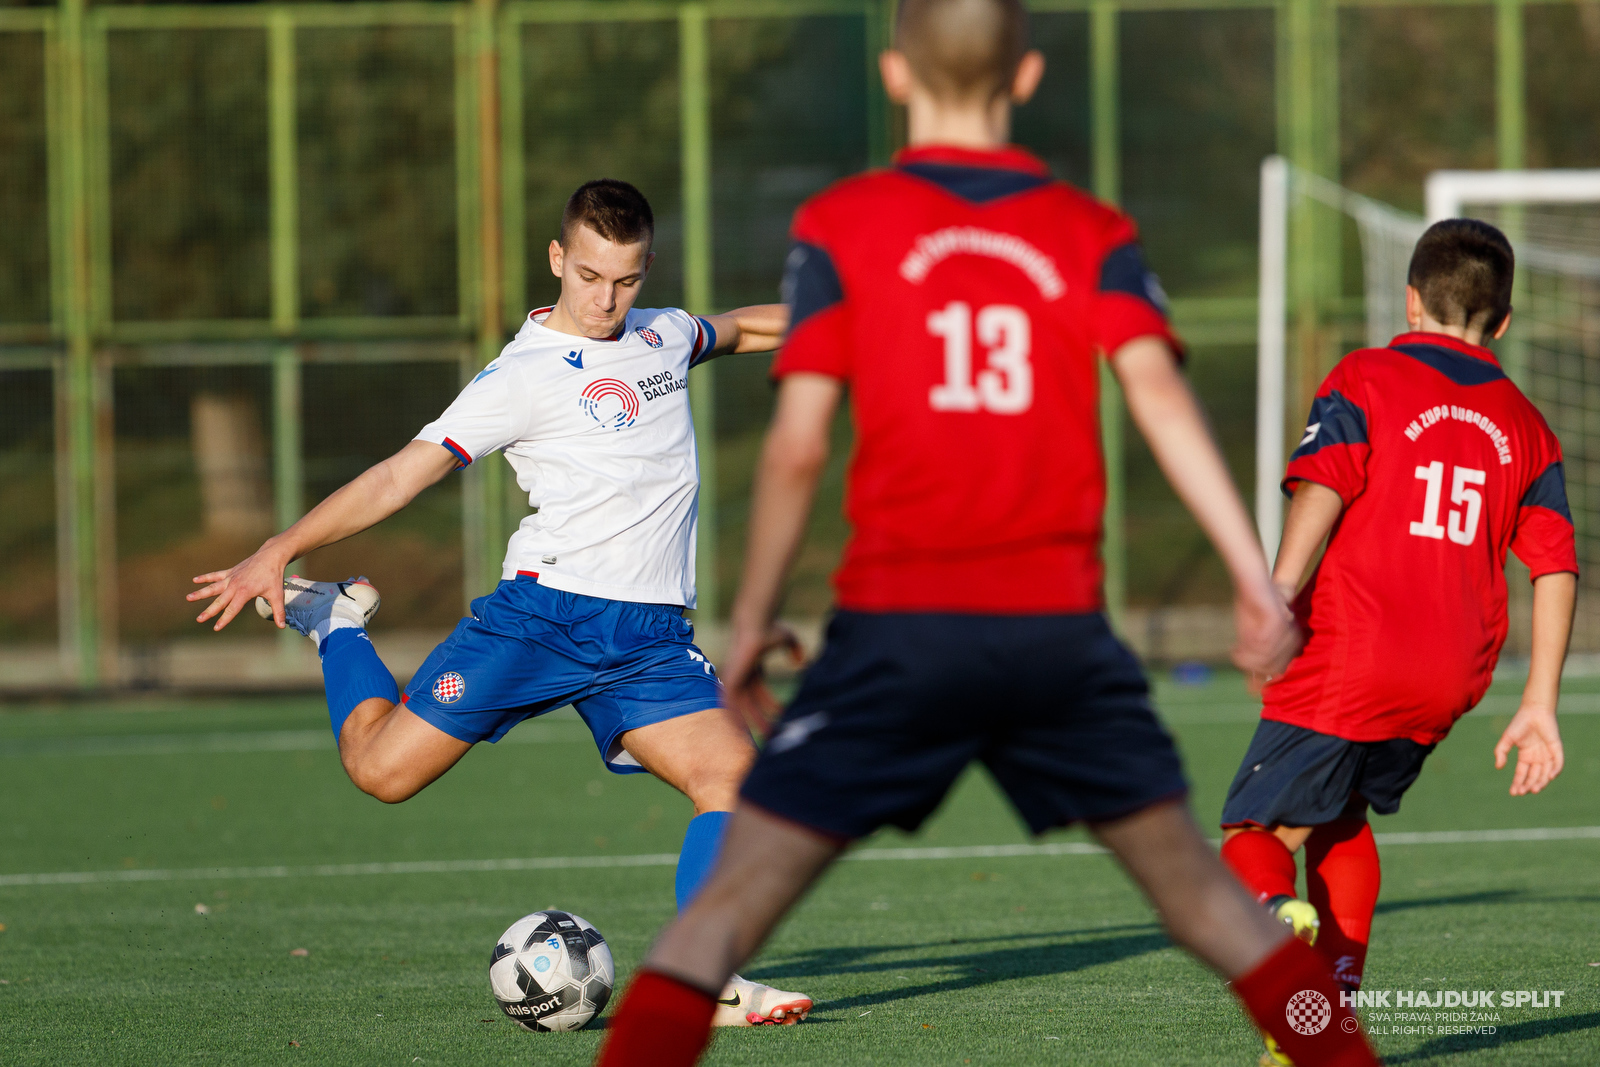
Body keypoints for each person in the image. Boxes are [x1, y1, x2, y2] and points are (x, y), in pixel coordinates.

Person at [593, 1, 1380, 1064]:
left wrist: (745, 625)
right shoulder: (1088, 227)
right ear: (1028, 76)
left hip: (895, 632)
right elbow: (1156, 396)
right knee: (1209, 905)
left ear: (894, 76)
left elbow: (794, 446)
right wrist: (1253, 574)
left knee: (720, 919)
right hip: (1055, 631)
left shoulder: (844, 221)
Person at [187, 179, 812, 1027]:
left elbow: (744, 327)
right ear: (558, 259)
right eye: (589, 275)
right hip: (542, 619)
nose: (605, 298)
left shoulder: (663, 335)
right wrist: (281, 548)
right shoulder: (520, 377)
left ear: (646, 269)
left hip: (651, 640)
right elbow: (402, 475)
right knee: (381, 772)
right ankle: (336, 622)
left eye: (624, 280)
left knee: (735, 782)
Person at [1219, 218, 1575, 1064]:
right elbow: (1555, 565)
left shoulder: (1367, 377)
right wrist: (1540, 704)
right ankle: (1324, 1018)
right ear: (1506, 321)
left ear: (1409, 299)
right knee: (1341, 817)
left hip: (1354, 652)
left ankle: (1278, 929)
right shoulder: (1526, 424)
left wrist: (1277, 594)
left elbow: (1323, 487)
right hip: (1452, 672)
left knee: (1247, 840)